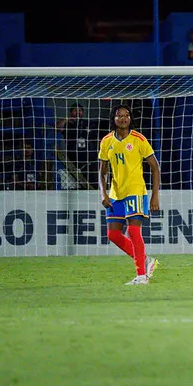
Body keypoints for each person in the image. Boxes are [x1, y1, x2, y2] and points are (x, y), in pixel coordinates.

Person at [98, 104, 160, 285]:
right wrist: (103, 193)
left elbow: (155, 167)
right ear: (114, 118)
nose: (123, 118)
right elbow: (102, 171)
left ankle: (141, 276)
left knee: (133, 230)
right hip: (116, 193)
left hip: (136, 191)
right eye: (119, 115)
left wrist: (155, 196)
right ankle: (146, 261)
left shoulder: (139, 139)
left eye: (126, 115)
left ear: (130, 118)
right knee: (113, 235)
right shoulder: (106, 141)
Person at [56, 103, 98, 189]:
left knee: (93, 183)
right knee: (75, 184)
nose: (78, 113)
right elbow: (58, 127)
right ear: (71, 112)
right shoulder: (68, 124)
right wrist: (68, 119)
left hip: (89, 160)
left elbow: (96, 139)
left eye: (80, 111)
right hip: (73, 160)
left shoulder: (88, 123)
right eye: (76, 110)